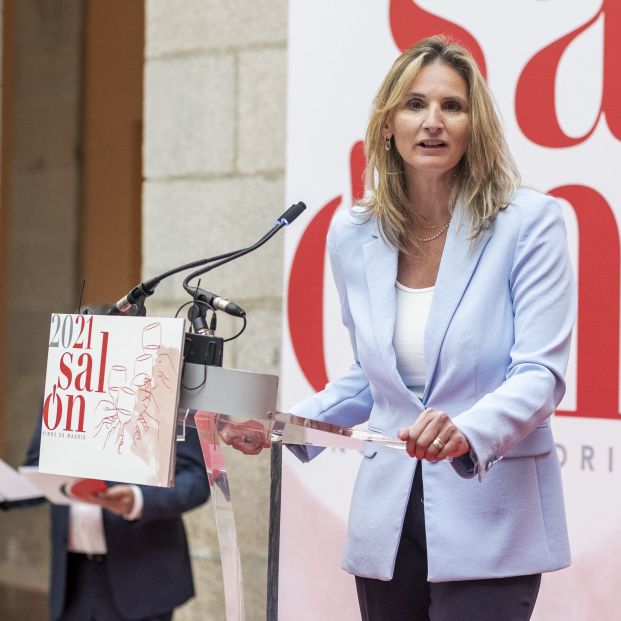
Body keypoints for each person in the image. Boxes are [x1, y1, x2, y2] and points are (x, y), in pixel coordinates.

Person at [285, 36, 576, 620]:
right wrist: (285, 429)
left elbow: (541, 375)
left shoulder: (529, 222)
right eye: (415, 104)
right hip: (388, 524)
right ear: (388, 123)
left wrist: (466, 430)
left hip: (491, 514)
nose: (433, 122)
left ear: (476, 124)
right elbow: (372, 381)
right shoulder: (352, 235)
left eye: (453, 106)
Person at [21, 408, 209, 621]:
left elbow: (196, 479)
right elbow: (38, 467)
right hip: (72, 581)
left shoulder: (172, 377)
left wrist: (139, 500)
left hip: (142, 577)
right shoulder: (62, 378)